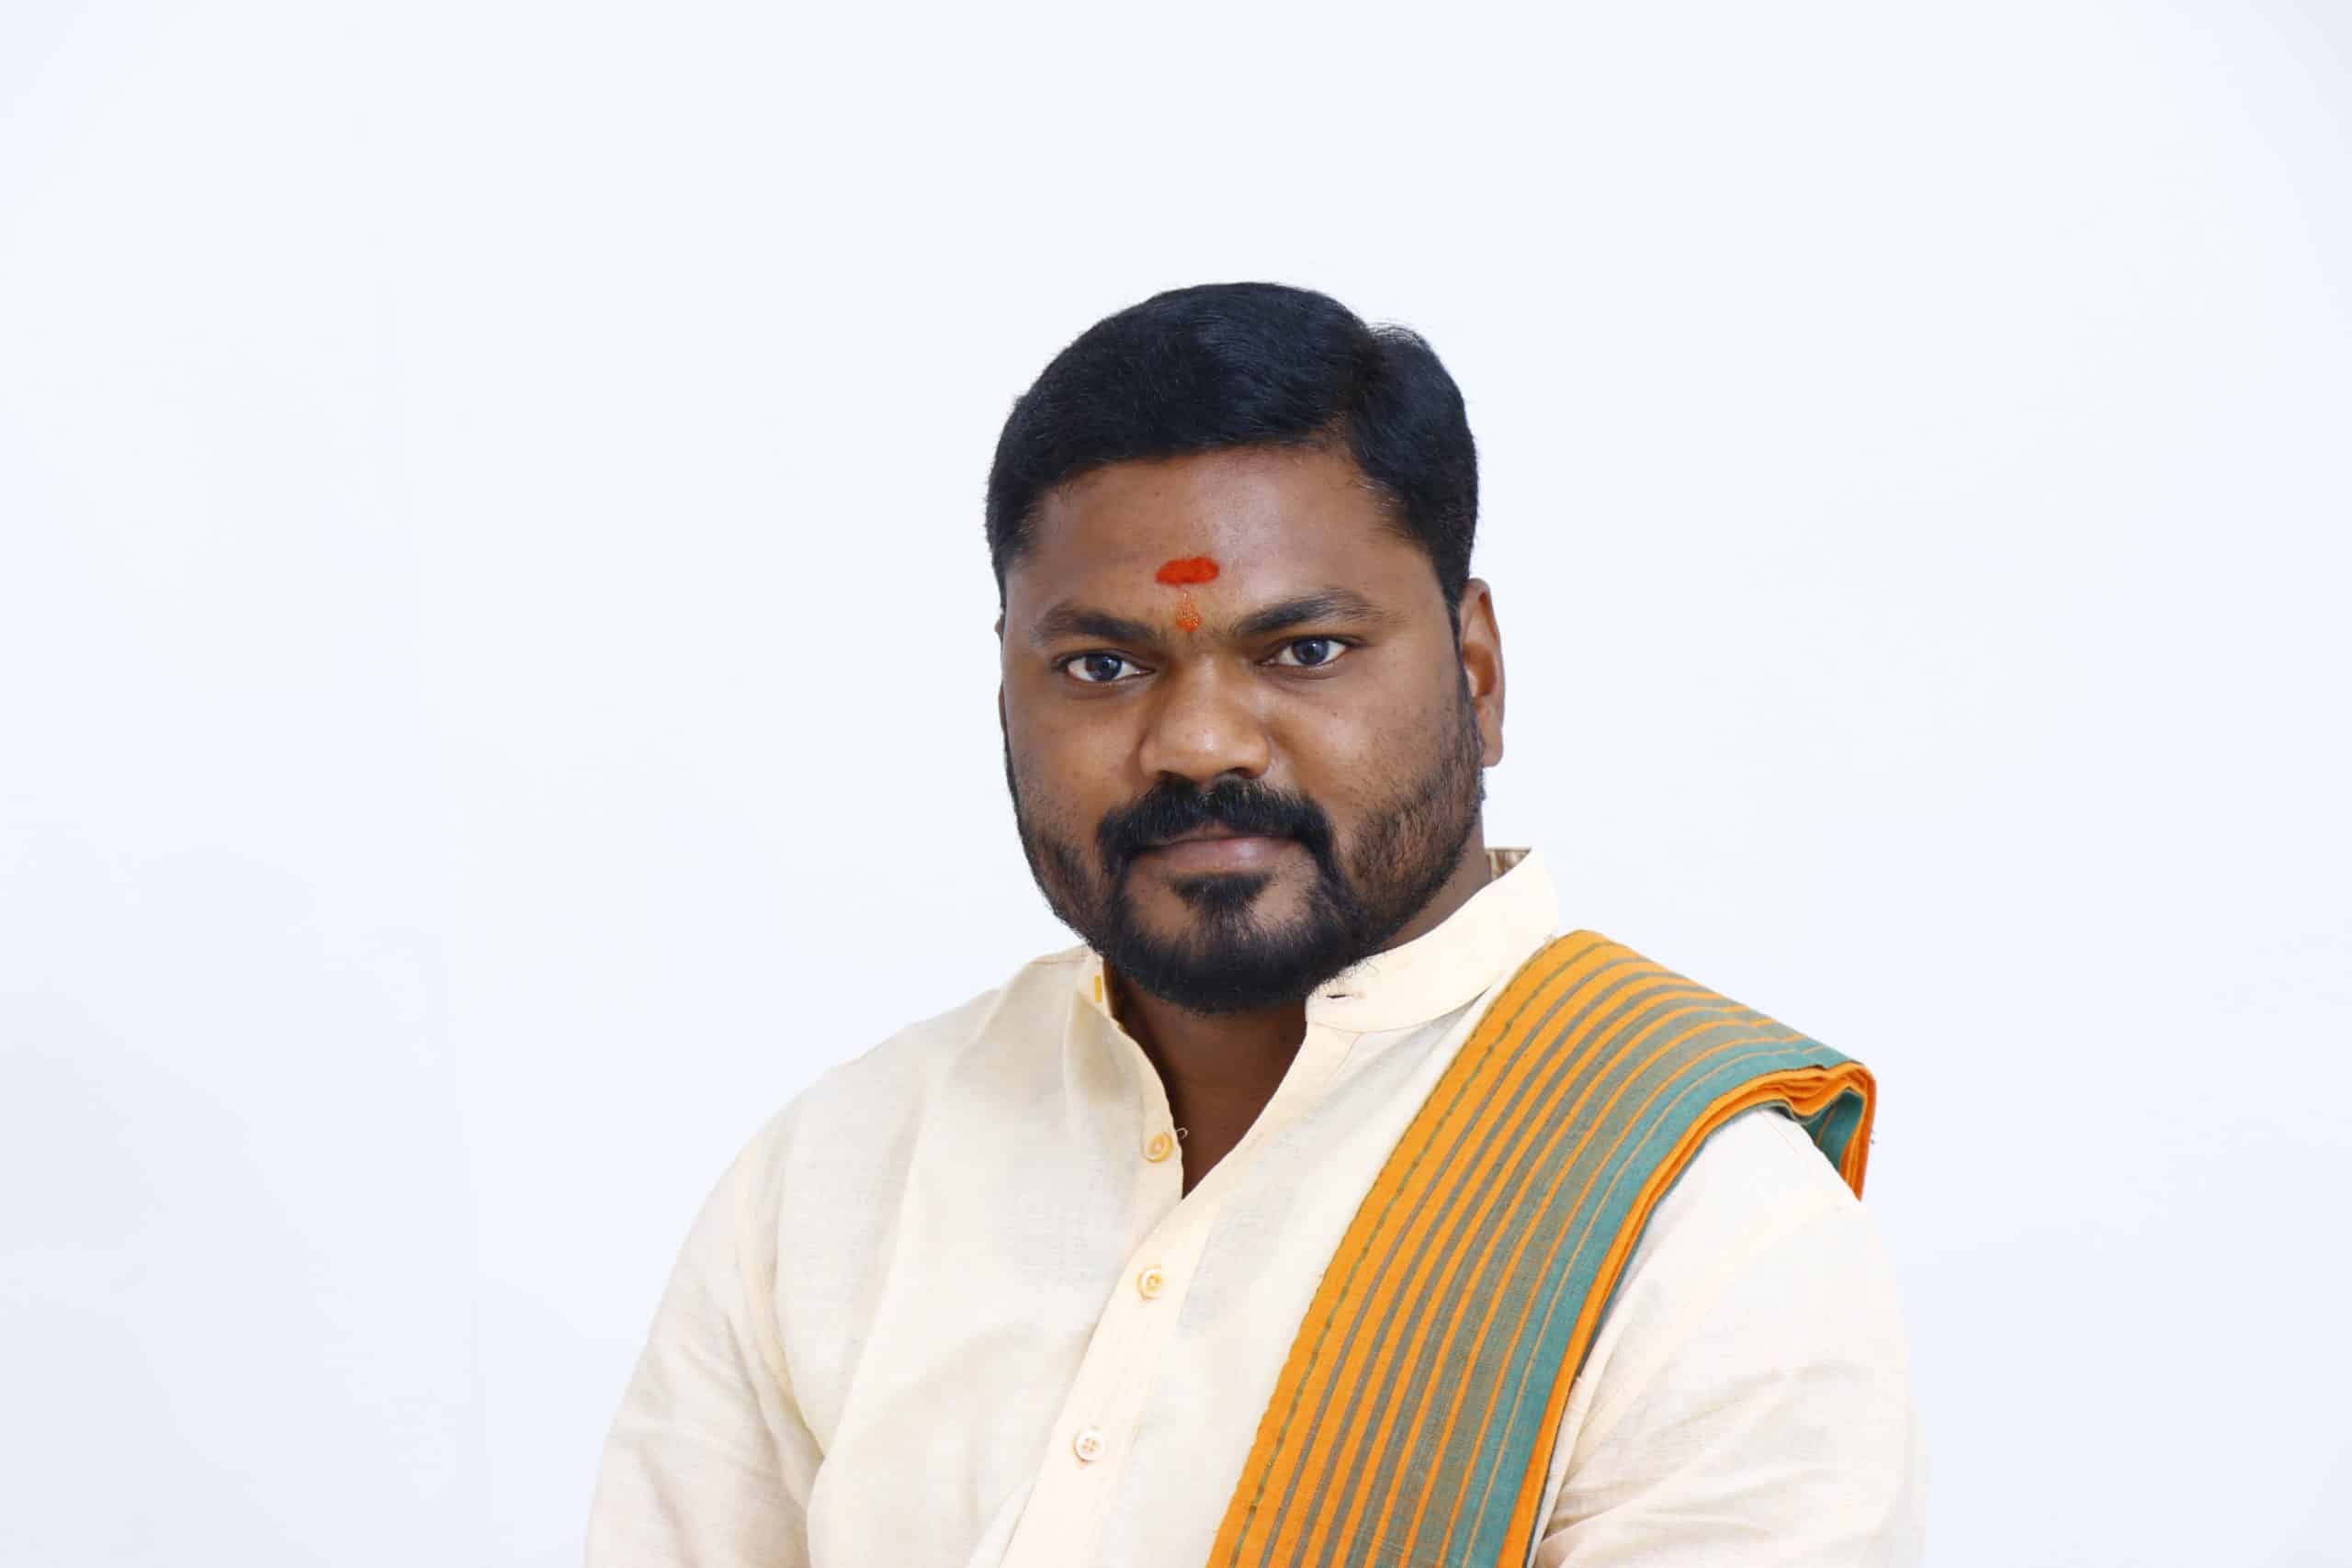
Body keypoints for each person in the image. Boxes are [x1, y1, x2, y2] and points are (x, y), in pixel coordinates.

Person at [585, 283, 1927, 1567]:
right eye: (1102, 665)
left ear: (1477, 672)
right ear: (1004, 698)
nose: (1199, 742)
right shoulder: (838, 1175)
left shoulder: (1704, 1227)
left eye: (1304, 651)